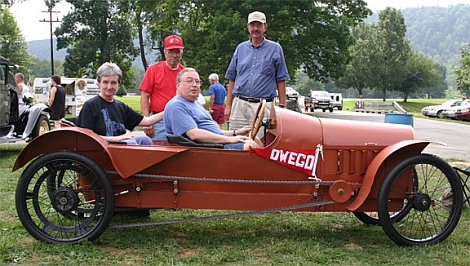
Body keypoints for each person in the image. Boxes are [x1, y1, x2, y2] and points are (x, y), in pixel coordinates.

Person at [225, 11, 289, 136]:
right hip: (239, 105)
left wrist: (282, 107)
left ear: (265, 27)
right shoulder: (240, 48)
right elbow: (232, 78)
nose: (255, 29)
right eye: (252, 25)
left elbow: (281, 79)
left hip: (263, 106)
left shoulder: (275, 48)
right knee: (235, 143)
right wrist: (228, 106)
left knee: (259, 145)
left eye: (259, 25)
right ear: (248, 27)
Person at [164, 68, 261, 150]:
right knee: (250, 145)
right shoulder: (176, 105)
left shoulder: (195, 103)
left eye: (197, 81)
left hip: (214, 144)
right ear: (178, 85)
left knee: (254, 138)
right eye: (189, 81)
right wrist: (231, 139)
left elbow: (213, 131)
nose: (194, 85)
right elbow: (194, 134)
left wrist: (236, 133)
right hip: (206, 149)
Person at [76, 62, 163, 145]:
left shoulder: (120, 106)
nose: (109, 87)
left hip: (120, 145)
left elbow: (147, 121)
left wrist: (167, 111)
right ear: (99, 84)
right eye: (105, 82)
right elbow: (86, 137)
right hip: (102, 148)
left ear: (118, 84)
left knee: (145, 140)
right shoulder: (90, 106)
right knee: (130, 142)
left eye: (113, 83)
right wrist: (118, 138)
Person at [139, 35, 185, 140]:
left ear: (181, 53)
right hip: (159, 120)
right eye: (171, 52)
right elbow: (145, 95)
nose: (174, 55)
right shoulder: (153, 70)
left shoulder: (184, 73)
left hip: (180, 119)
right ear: (165, 53)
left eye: (177, 52)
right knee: (160, 151)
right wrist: (147, 121)